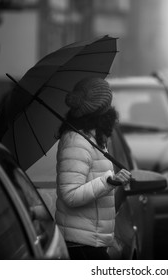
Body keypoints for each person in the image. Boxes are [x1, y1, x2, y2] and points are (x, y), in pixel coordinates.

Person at [55, 77, 132, 260]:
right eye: (108, 108)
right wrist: (109, 181)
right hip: (80, 245)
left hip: (92, 241)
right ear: (100, 112)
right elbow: (70, 195)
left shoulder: (93, 139)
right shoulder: (76, 142)